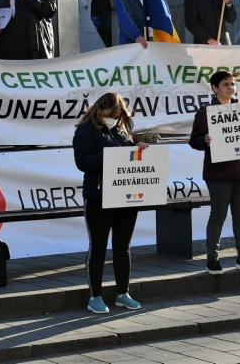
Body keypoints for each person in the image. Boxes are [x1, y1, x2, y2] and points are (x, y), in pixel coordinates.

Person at [72, 92, 148, 314]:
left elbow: (129, 155)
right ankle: (95, 296)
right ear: (99, 111)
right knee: (98, 247)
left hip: (125, 197)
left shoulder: (120, 130)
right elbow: (82, 162)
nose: (117, 118)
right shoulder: (85, 130)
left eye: (120, 115)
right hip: (98, 197)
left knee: (122, 248)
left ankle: (122, 294)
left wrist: (138, 149)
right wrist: (111, 155)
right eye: (115, 113)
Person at [189, 71, 240, 275]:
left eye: (233, 84)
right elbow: (194, 140)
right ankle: (212, 259)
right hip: (219, 172)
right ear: (214, 88)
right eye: (225, 84)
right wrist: (204, 140)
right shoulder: (206, 112)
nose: (230, 87)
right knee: (218, 215)